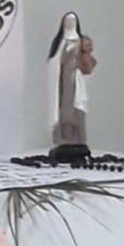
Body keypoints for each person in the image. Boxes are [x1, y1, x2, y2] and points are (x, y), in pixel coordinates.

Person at [48, 12, 96, 146]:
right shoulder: (59, 43)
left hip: (75, 81)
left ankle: (77, 142)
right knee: (62, 110)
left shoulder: (82, 42)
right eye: (67, 21)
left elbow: (88, 66)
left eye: (72, 21)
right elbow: (53, 61)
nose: (70, 24)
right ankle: (63, 141)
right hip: (61, 82)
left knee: (76, 110)